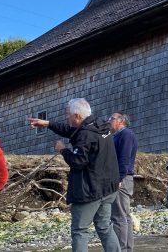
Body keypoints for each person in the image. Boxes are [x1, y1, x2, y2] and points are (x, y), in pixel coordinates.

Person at [29, 98, 121, 251]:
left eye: (68, 114)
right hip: (108, 188)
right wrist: (47, 124)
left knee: (79, 231)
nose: (67, 117)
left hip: (90, 191)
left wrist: (63, 150)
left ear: (77, 116)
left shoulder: (85, 135)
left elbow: (78, 162)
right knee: (105, 227)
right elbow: (72, 131)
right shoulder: (100, 126)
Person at [109, 113, 138, 252]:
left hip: (122, 178)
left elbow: (124, 158)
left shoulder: (126, 134)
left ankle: (121, 248)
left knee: (118, 216)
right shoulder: (117, 135)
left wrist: (119, 178)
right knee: (124, 216)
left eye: (112, 119)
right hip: (123, 177)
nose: (109, 121)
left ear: (121, 121)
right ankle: (127, 248)